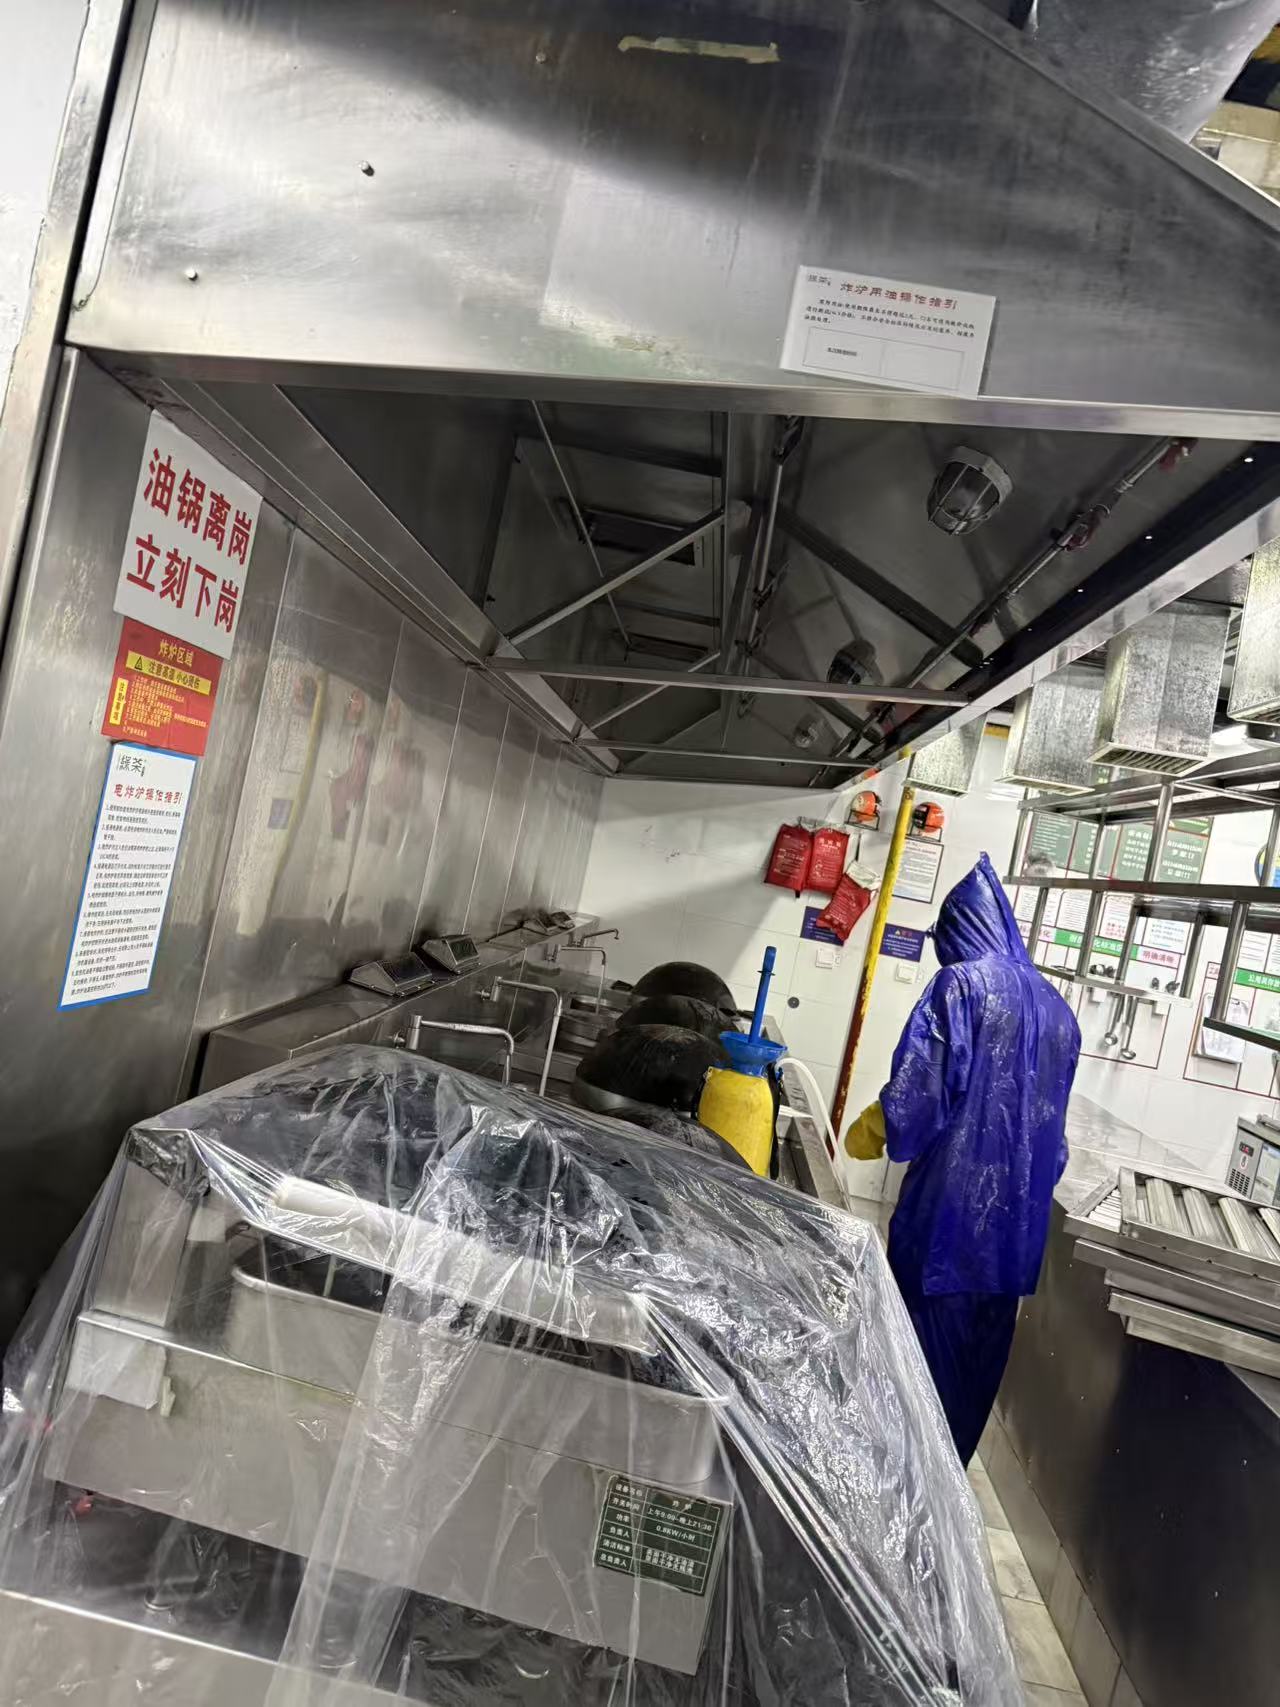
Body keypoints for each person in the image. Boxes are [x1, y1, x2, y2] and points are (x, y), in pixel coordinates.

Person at [845, 852, 1081, 1463]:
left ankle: (898, 1509)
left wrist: (879, 1125)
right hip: (1012, 1250)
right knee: (967, 1395)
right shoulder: (1058, 1010)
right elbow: (1052, 1143)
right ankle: (943, 1514)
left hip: (944, 1237)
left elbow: (920, 1096)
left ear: (958, 933)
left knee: (912, 1393)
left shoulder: (961, 987)